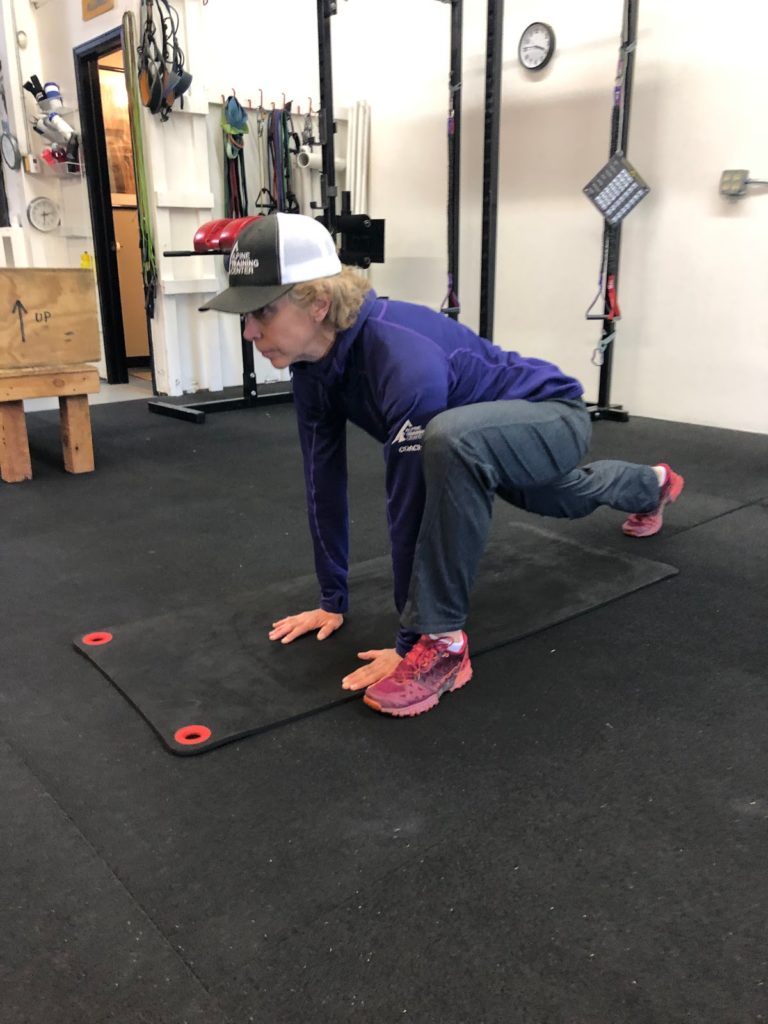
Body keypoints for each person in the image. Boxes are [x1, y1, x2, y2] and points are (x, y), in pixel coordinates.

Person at [201, 213, 684, 717]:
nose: (249, 331)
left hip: (552, 416)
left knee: (449, 439)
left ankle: (444, 644)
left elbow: (410, 504)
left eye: (263, 311)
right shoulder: (310, 370)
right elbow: (322, 480)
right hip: (478, 443)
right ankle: (653, 485)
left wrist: (411, 640)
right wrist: (331, 599)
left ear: (318, 304)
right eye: (245, 315)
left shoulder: (398, 355)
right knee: (563, 497)